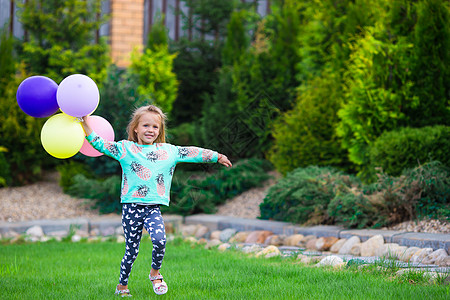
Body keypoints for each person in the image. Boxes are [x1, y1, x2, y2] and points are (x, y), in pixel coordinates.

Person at [80, 105, 232, 296]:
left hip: (153, 209)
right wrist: (85, 123)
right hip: (131, 208)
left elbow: (192, 152)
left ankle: (155, 273)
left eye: (155, 127)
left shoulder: (168, 151)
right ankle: (122, 286)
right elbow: (100, 144)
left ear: (160, 130)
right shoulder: (126, 149)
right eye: (145, 125)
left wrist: (217, 156)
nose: (150, 130)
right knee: (131, 251)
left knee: (160, 240)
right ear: (135, 128)